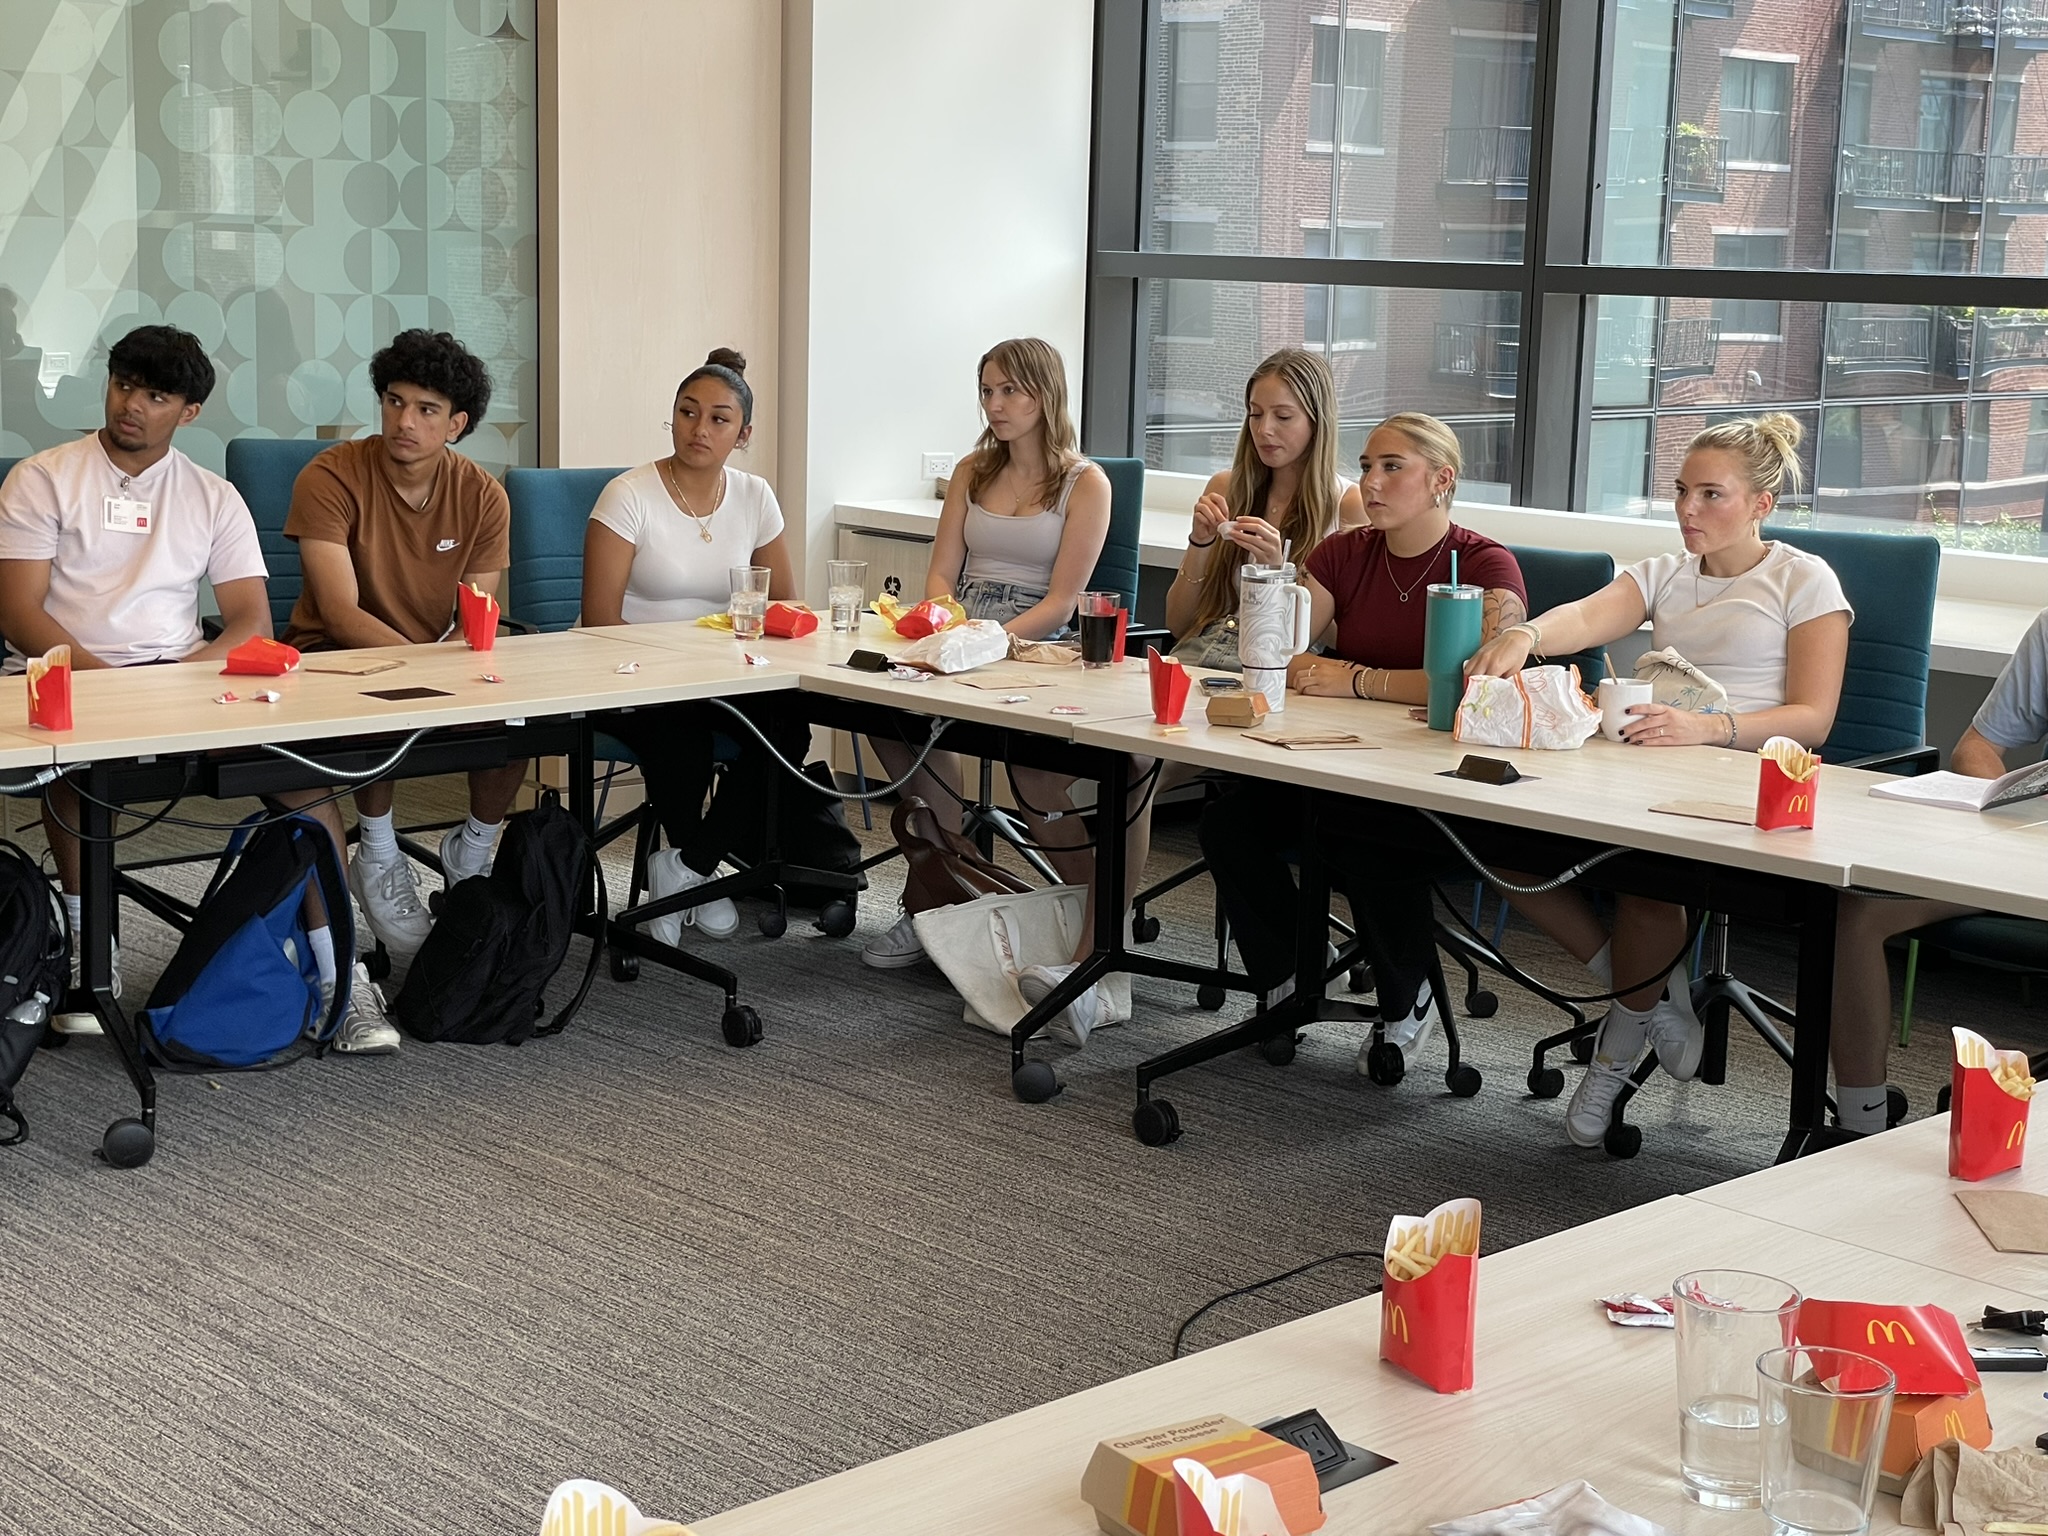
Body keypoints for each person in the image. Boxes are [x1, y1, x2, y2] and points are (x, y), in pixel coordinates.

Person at [1465, 414, 1851, 1147]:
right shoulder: (1665, 573)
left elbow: (1814, 719)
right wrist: (1526, 634)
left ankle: (1615, 1051)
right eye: (1680, 492)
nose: (1687, 510)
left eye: (1711, 495)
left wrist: (1707, 728)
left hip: (1744, 775)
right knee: (1496, 835)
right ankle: (1654, 992)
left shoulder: (1803, 579)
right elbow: (1587, 615)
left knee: (1646, 886)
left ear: (1761, 505)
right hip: (1650, 762)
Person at [1199, 412, 1528, 1066]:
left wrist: (1358, 680)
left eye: (1392, 467)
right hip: (1338, 757)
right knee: (1227, 819)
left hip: (1435, 776)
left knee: (1367, 834)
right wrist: (1390, 681)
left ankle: (1408, 996)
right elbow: (1284, 659)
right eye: (1368, 466)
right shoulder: (1342, 552)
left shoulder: (1486, 565)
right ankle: (1288, 970)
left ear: (1442, 481)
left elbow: (1470, 687)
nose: (1371, 482)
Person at [0, 324, 274, 1030]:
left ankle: (329, 960)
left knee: (298, 767)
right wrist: (108, 685)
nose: (131, 404)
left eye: (155, 395)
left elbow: (250, 621)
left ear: (188, 413)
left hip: (177, 677)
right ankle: (93, 941)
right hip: (64, 672)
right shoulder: (44, 477)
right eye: (124, 384)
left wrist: (183, 679)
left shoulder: (213, 496)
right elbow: (19, 612)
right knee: (73, 758)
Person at [275, 329, 520, 1046]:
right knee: (374, 711)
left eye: (425, 408)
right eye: (393, 401)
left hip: (435, 660)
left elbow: (477, 613)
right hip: (334, 656)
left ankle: (472, 851)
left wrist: (454, 666)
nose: (404, 422)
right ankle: (376, 851)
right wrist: (431, 668)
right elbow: (342, 612)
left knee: (517, 726)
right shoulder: (331, 476)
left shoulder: (483, 496)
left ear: (457, 424)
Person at [860, 340, 1113, 993]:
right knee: (883, 710)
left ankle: (1093, 916)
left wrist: (987, 641)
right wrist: (945, 629)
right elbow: (943, 572)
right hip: (963, 623)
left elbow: (1063, 600)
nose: (996, 405)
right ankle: (940, 897)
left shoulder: (1085, 483)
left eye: (1011, 391)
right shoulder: (974, 468)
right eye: (988, 391)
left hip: (1035, 638)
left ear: (1045, 394)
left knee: (1032, 770)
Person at [582, 348, 811, 943]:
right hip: (633, 676)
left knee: (791, 724)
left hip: (727, 676)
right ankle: (692, 866)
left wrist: (732, 657)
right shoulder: (628, 494)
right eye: (687, 413)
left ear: (743, 432)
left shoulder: (755, 495)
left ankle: (688, 866)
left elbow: (786, 606)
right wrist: (686, 662)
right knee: (679, 731)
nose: (699, 429)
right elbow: (599, 620)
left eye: (718, 418)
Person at [1824, 611, 2048, 1134]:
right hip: (2033, 857)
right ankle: (1861, 1124)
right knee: (1861, 907)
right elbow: (1979, 747)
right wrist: (2009, 811)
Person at [1166, 347, 1365, 668]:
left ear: (1317, 422)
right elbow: (1178, 623)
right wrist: (1200, 542)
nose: (1264, 430)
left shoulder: (1349, 506)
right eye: (1255, 414)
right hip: (1200, 651)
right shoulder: (1225, 488)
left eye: (1283, 416)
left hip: (1278, 664)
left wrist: (1278, 577)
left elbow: (1345, 640)